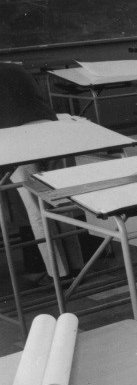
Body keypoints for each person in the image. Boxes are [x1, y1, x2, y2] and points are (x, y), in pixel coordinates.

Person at [0, 63, 68, 280]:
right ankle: (75, 265)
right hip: (53, 134)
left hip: (22, 142)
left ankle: (58, 273)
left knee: (35, 209)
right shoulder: (16, 69)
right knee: (60, 201)